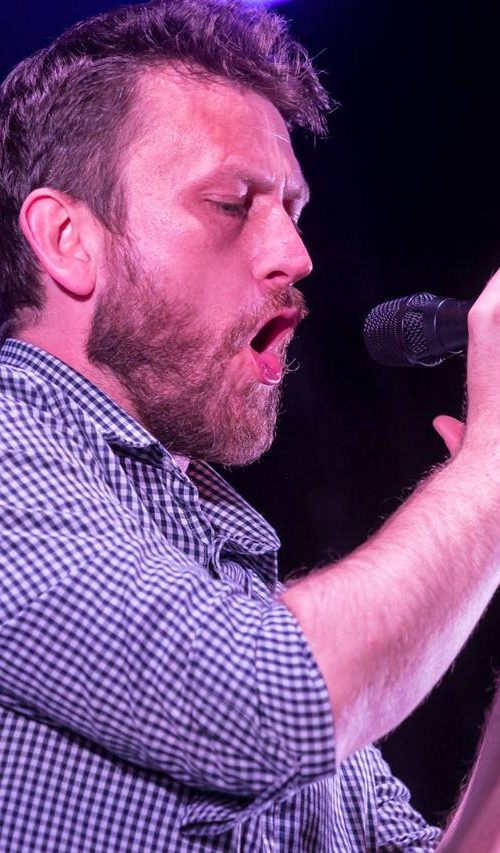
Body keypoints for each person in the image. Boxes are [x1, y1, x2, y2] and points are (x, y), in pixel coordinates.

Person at [0, 1, 498, 849]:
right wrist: (490, 467)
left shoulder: (215, 553)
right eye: (233, 203)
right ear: (67, 238)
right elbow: (271, 702)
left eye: (293, 210)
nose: (296, 255)